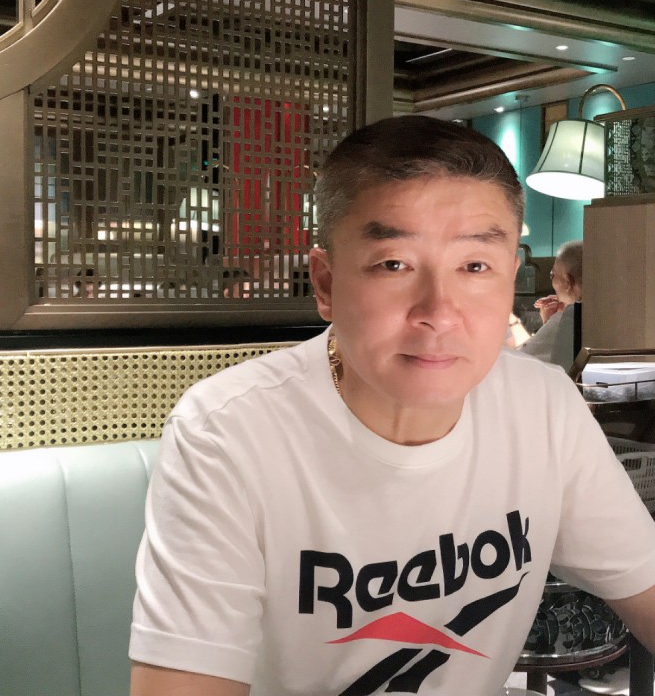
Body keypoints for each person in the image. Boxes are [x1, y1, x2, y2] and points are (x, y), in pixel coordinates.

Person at [129, 116, 655, 696]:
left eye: (475, 266)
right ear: (326, 284)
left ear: (510, 279)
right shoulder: (229, 432)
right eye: (393, 264)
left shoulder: (543, 406)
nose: (439, 312)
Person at [508, 240, 582, 369]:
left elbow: (522, 363)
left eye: (552, 275)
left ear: (568, 282)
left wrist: (511, 321)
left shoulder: (568, 319)